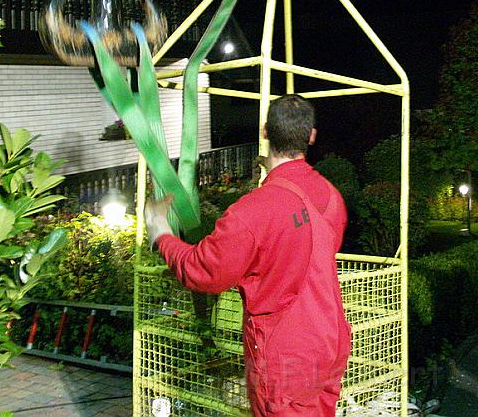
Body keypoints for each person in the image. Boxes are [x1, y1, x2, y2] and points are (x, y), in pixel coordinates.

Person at [145, 94, 351, 416]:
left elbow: (203, 271)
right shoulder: (331, 196)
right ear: (311, 135)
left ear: (265, 131)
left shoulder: (251, 212)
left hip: (285, 356)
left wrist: (160, 234)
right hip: (330, 342)